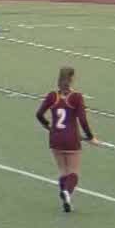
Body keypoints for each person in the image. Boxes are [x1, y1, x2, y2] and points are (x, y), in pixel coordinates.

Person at [35, 66, 94, 213]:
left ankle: (65, 200)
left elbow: (39, 114)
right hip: (71, 138)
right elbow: (82, 120)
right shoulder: (76, 97)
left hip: (55, 137)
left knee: (63, 171)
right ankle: (67, 193)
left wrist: (49, 126)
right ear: (72, 78)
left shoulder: (52, 96)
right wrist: (91, 137)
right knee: (73, 171)